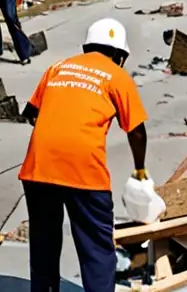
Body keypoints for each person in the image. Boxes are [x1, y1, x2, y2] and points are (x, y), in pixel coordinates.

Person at [19, 18, 150, 292]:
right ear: (118, 54)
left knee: (44, 241)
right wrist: (140, 169)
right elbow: (136, 132)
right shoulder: (116, 76)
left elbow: (31, 112)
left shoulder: (58, 68)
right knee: (97, 247)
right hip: (83, 170)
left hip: (38, 166)